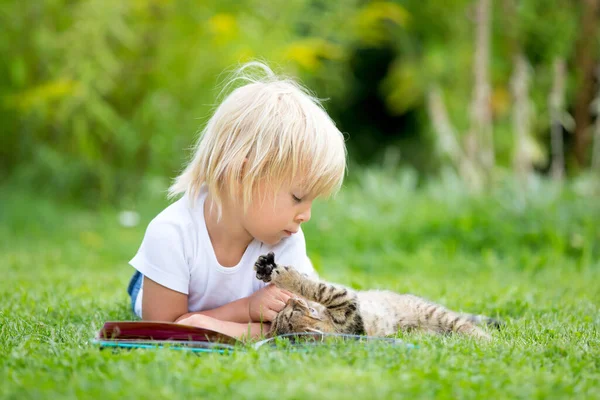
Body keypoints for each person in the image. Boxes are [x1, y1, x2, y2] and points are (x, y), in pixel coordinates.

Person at [126, 62, 347, 339]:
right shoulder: (171, 234)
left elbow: (297, 329)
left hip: (209, 303)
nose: (306, 216)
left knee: (313, 300)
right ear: (242, 174)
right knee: (150, 287)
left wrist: (214, 325)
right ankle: (142, 277)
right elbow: (166, 330)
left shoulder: (287, 239)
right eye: (298, 197)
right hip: (170, 287)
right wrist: (247, 309)